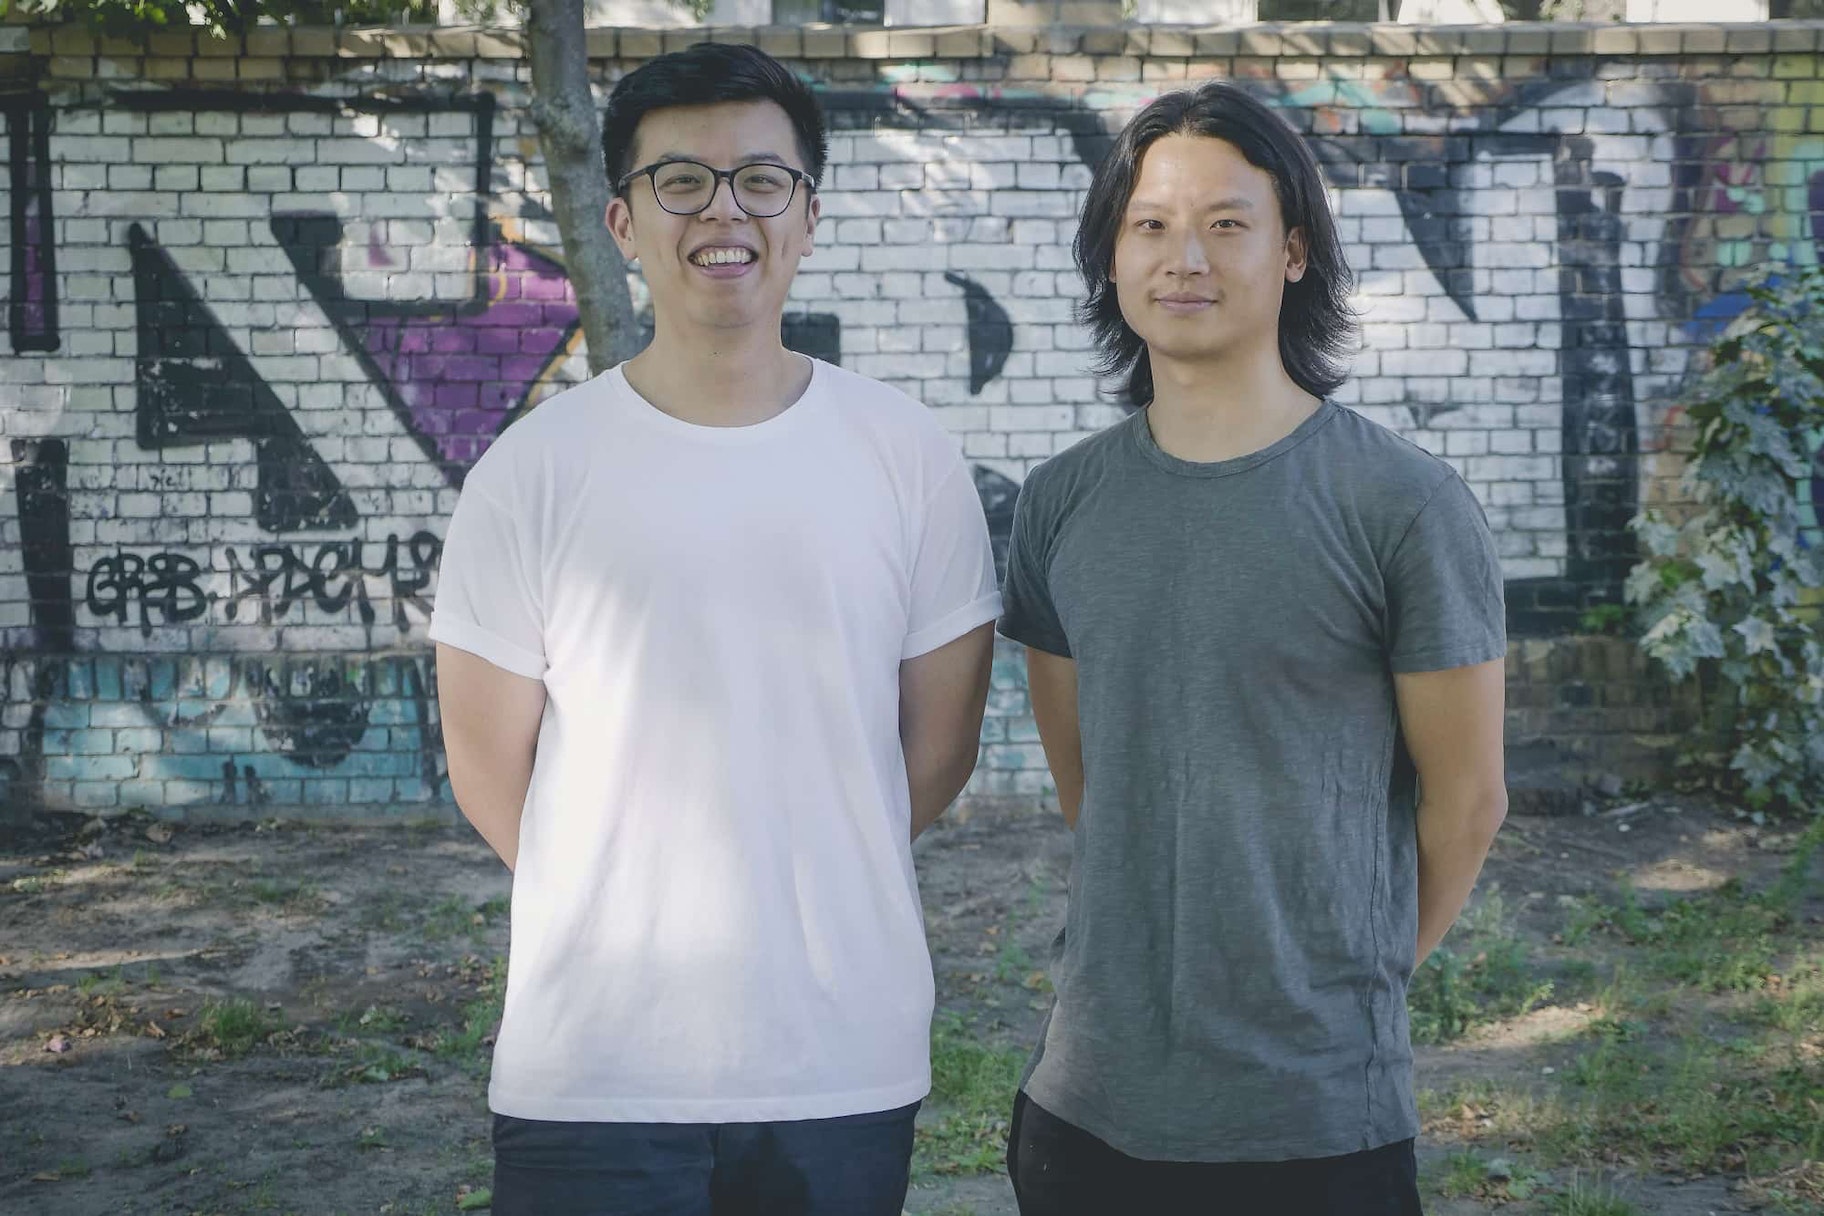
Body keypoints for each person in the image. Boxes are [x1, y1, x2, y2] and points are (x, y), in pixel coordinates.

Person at [429, 42, 1001, 1216]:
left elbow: (934, 751)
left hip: (839, 1053)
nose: (722, 209)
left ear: (809, 213)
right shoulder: (533, 471)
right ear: (624, 221)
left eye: (760, 178)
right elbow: (493, 774)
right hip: (593, 1065)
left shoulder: (909, 459)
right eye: (680, 180)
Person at [997, 81, 1509, 1215]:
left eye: (1227, 223)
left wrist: (1348, 979)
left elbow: (1467, 800)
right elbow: (1096, 786)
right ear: (1113, 258)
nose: (1186, 256)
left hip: (1316, 1123)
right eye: (1151, 225)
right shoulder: (1060, 503)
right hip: (1088, 1109)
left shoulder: (1403, 503)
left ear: (1293, 253)